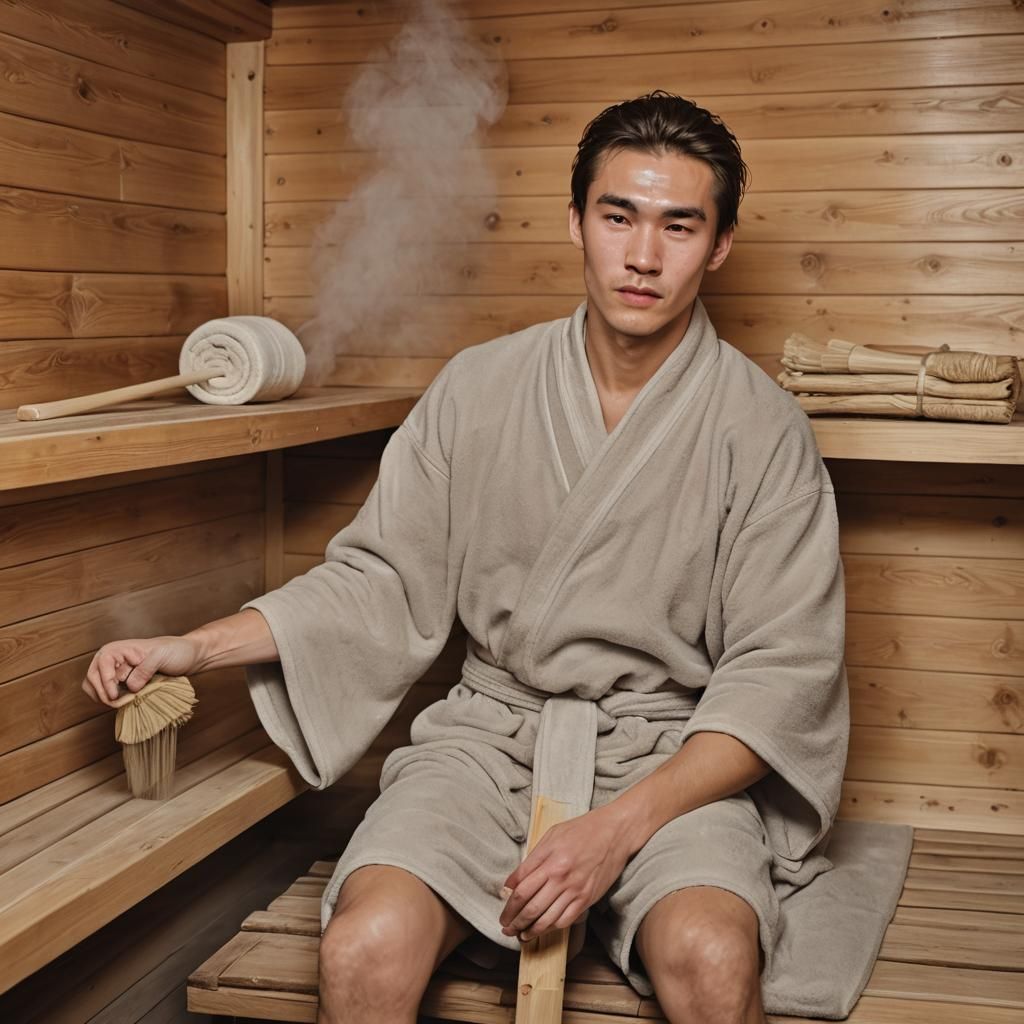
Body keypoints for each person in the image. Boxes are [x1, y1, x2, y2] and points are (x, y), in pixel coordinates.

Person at [84, 92, 912, 1024]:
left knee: (715, 960)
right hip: (487, 744)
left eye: (680, 225)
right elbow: (381, 580)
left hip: (665, 754)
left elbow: (779, 675)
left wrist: (613, 831)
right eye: (618, 217)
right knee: (362, 949)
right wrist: (193, 648)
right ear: (577, 222)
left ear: (718, 245)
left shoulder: (761, 432)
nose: (644, 255)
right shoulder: (479, 387)